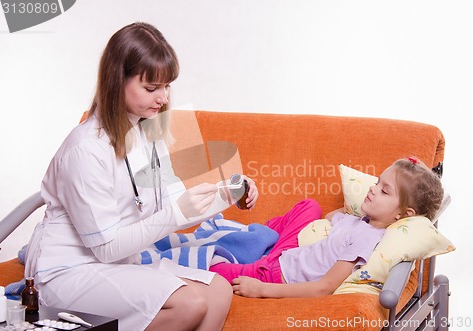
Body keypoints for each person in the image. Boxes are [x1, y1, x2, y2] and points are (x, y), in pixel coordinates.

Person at [24, 22, 258, 331]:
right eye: (151, 88)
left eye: (166, 87)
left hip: (118, 266)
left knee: (218, 291)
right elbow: (106, 247)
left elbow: (173, 202)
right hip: (68, 272)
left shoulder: (148, 132)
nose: (162, 98)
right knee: (190, 302)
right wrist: (176, 212)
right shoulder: (85, 149)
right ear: (116, 80)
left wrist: (227, 195)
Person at [209, 157, 444, 298]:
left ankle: (257, 248)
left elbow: (324, 288)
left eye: (384, 191)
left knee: (207, 270)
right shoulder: (361, 220)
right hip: (285, 253)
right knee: (310, 206)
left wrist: (262, 289)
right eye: (376, 183)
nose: (372, 189)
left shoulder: (367, 240)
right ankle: (262, 241)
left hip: (273, 275)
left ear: (403, 214)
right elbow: (330, 216)